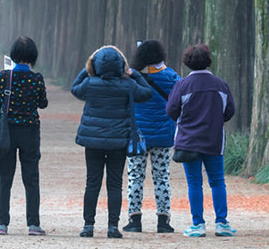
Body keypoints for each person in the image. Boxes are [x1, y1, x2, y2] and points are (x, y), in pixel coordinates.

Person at [71, 45, 153, 238]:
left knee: (92, 183)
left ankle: (88, 225)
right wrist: (134, 74)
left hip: (93, 141)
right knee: (115, 184)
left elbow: (75, 88)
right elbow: (146, 93)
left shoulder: (90, 84)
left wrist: (87, 69)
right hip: (118, 141)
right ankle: (112, 226)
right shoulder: (127, 85)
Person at [166, 43, 237, 237]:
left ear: (187, 62)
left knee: (194, 183)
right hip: (214, 140)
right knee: (217, 181)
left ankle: (198, 224)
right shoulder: (221, 85)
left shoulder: (182, 85)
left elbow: (171, 110)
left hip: (189, 142)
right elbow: (229, 111)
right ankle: (222, 223)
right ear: (208, 61)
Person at [0, 37, 48, 235]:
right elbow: (43, 103)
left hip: (7, 132)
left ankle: (2, 224)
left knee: (4, 178)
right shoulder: (37, 78)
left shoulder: (5, 76)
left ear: (13, 55)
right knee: (31, 178)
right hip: (30, 131)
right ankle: (33, 223)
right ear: (33, 57)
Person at [124, 39, 179, 233]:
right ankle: (163, 220)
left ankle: (134, 219)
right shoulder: (172, 76)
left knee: (135, 176)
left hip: (138, 136)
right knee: (162, 176)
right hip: (164, 135)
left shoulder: (132, 77)